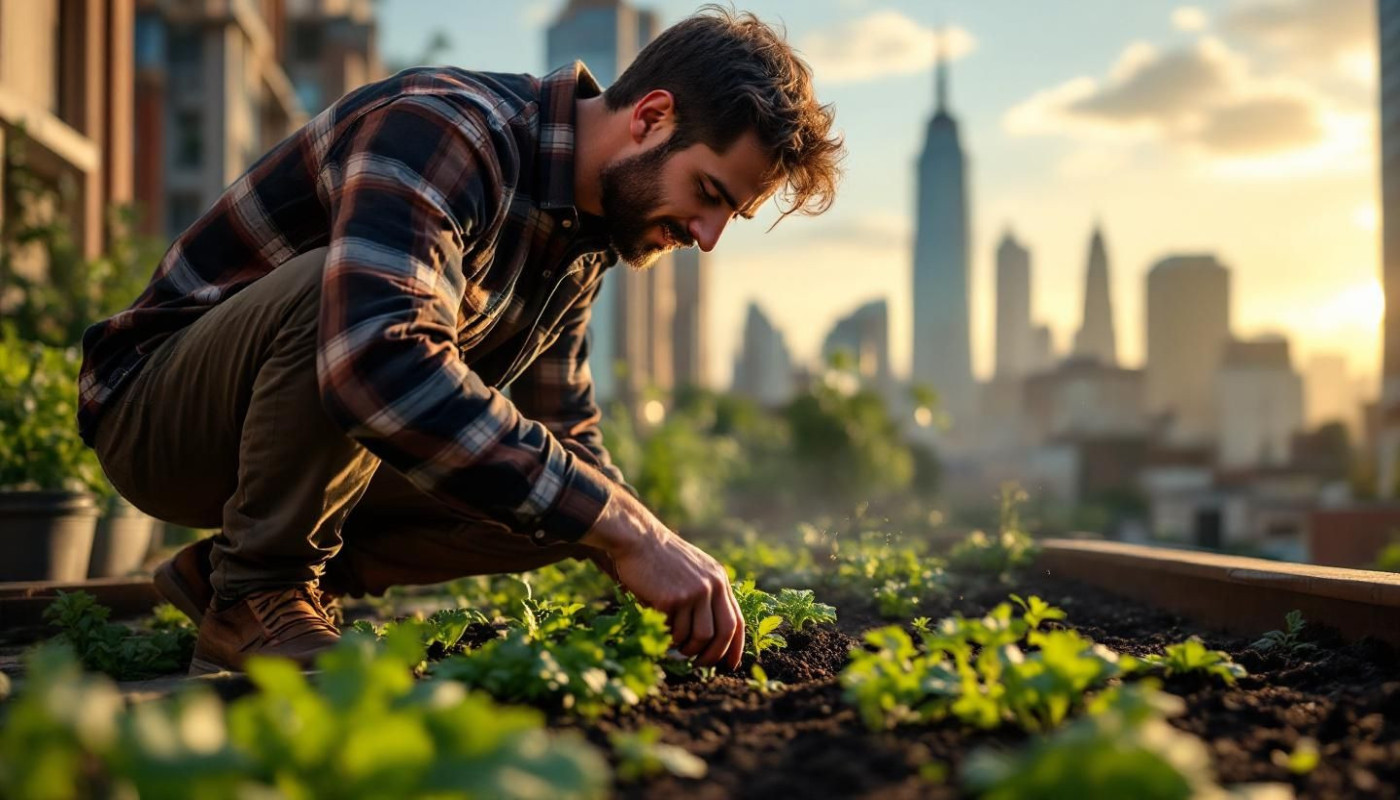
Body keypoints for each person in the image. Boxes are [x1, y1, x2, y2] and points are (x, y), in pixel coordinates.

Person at [77, 6, 843, 676]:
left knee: (572, 502)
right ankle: (261, 588)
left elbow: (567, 433)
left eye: (729, 217)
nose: (706, 237)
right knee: (351, 308)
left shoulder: (584, 242)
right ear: (650, 117)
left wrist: (651, 552)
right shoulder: (447, 129)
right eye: (708, 194)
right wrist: (628, 532)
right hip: (157, 416)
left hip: (301, 434)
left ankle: (239, 583)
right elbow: (376, 362)